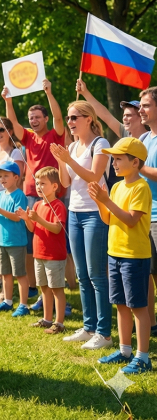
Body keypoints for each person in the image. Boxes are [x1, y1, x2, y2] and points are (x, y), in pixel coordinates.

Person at [50, 101, 112, 350]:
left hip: (95, 214)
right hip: (74, 213)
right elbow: (65, 182)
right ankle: (88, 328)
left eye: (74, 117)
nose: (70, 122)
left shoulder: (101, 144)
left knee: (97, 275)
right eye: (68, 117)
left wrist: (69, 160)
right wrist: (60, 160)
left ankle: (104, 333)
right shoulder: (73, 146)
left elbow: (93, 177)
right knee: (82, 275)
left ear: (89, 119)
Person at [90, 137, 153, 373]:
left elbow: (131, 219)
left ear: (135, 162)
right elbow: (108, 219)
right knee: (121, 304)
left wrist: (106, 200)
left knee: (138, 307)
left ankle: (143, 357)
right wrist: (100, 202)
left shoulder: (141, 188)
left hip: (134, 256)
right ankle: (125, 351)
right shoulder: (116, 187)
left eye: (118, 159)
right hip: (114, 253)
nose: (113, 163)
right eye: (113, 159)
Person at [3, 79, 65, 303]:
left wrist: (49, 93)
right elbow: (13, 123)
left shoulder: (55, 135)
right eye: (31, 118)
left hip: (54, 195)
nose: (34, 120)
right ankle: (38, 289)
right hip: (31, 194)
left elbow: (59, 119)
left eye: (38, 117)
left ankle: (58, 288)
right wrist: (8, 101)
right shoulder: (28, 137)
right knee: (33, 243)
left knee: (53, 240)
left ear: (45, 119)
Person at [17, 167, 68, 334]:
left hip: (54, 256)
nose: (38, 186)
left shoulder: (58, 206)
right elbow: (33, 229)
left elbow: (56, 229)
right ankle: (47, 319)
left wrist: (38, 218)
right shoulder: (37, 204)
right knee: (44, 288)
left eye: (43, 183)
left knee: (56, 289)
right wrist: (27, 219)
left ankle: (59, 323)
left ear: (54, 186)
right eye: (37, 183)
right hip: (39, 254)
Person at [0, 117, 25, 303]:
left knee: (6, 247)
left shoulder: (16, 152)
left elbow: (19, 176)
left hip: (9, 202)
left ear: (10, 131)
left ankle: (7, 291)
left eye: (1, 129)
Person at [0, 161, 30, 317]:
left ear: (16, 177)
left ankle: (23, 305)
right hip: (1, 241)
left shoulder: (19, 195)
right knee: (5, 273)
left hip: (16, 242)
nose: (2, 179)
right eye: (0, 176)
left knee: (20, 274)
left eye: (6, 176)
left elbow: (17, 218)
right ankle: (8, 301)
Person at [136, 86, 157, 335]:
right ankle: (151, 325)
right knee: (147, 275)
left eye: (146, 105)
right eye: (140, 106)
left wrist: (137, 166)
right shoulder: (143, 139)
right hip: (142, 216)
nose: (140, 109)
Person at [75, 79, 148, 139]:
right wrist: (85, 93)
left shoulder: (150, 138)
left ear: (141, 117)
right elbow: (105, 115)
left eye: (129, 115)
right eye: (124, 115)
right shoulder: (125, 134)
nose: (124, 118)